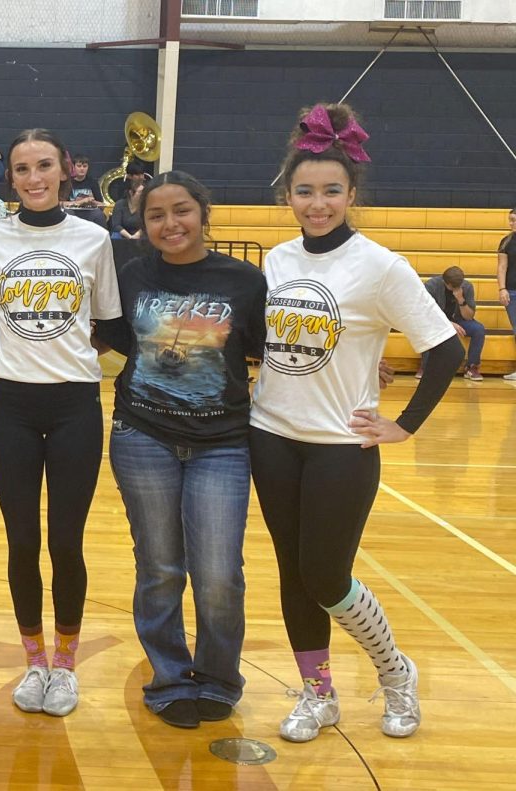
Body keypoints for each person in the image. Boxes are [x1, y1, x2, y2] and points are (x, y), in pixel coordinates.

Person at [250, 102, 461, 743]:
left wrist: (404, 425)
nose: (318, 204)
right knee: (292, 574)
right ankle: (319, 695)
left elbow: (445, 348)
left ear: (351, 194)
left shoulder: (380, 265)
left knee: (326, 574)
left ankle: (396, 673)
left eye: (331, 191)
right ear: (288, 194)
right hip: (271, 434)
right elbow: (283, 342)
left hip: (342, 443)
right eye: (305, 191)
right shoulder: (279, 260)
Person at [95, 171, 266, 729]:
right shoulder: (130, 274)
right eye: (155, 215)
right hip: (143, 437)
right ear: (141, 224)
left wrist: (361, 366)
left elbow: (276, 349)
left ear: (203, 211)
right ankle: (169, 676)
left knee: (219, 572)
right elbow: (117, 337)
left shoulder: (243, 281)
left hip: (222, 444)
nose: (170, 224)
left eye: (182, 210)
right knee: (160, 567)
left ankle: (218, 677)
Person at [0, 129, 122, 717]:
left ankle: (65, 664)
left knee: (65, 541)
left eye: (44, 166)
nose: (34, 178)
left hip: (74, 406)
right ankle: (33, 662)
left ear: (65, 170)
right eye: (22, 169)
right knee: (21, 541)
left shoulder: (94, 239)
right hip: (9, 402)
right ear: (9, 177)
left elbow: (108, 322)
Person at [420, 266, 484, 381]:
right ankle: (426, 368)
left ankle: (472, 367)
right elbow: (426, 312)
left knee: (478, 329)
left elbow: (469, 317)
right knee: (427, 327)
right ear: (446, 282)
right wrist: (448, 323)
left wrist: (461, 300)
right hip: (436, 320)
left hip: (459, 320)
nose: (456, 288)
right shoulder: (432, 286)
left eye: (459, 285)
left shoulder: (467, 287)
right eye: (453, 286)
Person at [497, 207, 516, 380]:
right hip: (512, 291)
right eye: (510, 219)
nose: (511, 223)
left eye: (514, 219)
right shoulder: (506, 242)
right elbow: (502, 267)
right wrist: (502, 289)